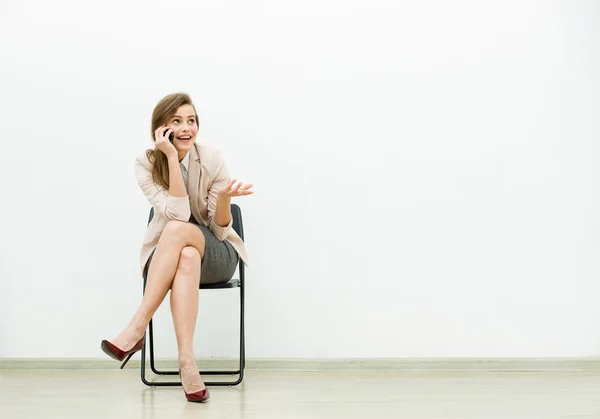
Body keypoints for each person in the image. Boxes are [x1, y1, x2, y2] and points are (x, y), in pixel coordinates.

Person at [101, 92, 252, 403]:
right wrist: (169, 157)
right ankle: (187, 363)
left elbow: (220, 229)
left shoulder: (212, 158)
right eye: (177, 121)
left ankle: (135, 328)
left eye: (192, 121)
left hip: (217, 255)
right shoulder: (145, 163)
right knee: (183, 251)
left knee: (178, 233)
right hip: (170, 259)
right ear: (161, 129)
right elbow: (179, 215)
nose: (187, 128)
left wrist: (224, 199)